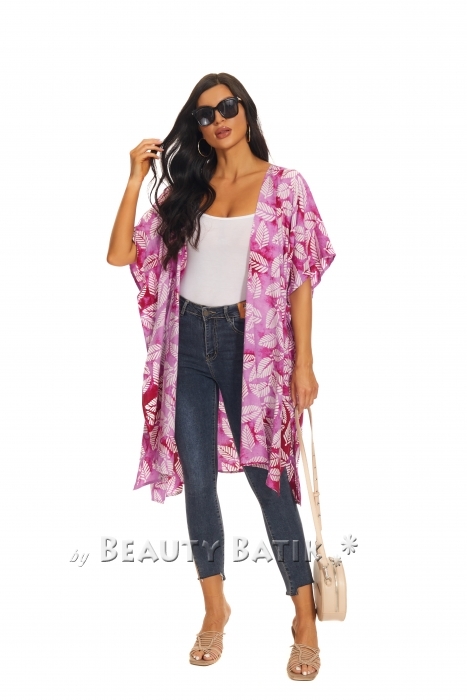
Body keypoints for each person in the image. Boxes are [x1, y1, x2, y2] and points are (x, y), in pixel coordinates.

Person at [107, 72, 336, 680]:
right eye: (205, 115)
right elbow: (121, 255)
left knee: (269, 480)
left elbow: (302, 277)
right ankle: (215, 610)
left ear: (246, 111)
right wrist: (133, 181)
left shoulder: (285, 187)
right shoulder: (189, 190)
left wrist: (305, 364)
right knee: (200, 483)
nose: (218, 121)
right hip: (187, 342)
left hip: (251, 347)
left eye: (227, 107)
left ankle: (304, 619)